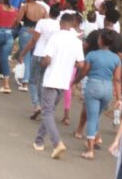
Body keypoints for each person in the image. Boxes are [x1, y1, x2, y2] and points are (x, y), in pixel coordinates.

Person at [33, 13, 84, 159]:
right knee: (49, 110)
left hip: (51, 79)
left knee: (47, 112)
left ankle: (57, 143)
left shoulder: (55, 37)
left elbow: (47, 59)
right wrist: (69, 63)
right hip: (64, 81)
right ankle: (39, 140)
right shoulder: (76, 41)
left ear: (61, 23)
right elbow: (80, 63)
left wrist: (42, 63)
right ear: (72, 24)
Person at [72, 30, 122, 159]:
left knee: (92, 117)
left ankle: (90, 150)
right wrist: (119, 98)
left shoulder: (92, 55)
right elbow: (117, 79)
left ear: (100, 41)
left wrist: (75, 81)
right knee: (95, 116)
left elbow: (84, 72)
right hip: (107, 89)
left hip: (93, 86)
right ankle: (96, 138)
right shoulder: (116, 58)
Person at [15, 0, 48, 91]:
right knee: (33, 56)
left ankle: (25, 81)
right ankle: (31, 79)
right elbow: (46, 23)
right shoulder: (43, 9)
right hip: (37, 33)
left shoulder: (26, 7)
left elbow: (18, 20)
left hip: (26, 31)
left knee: (26, 56)